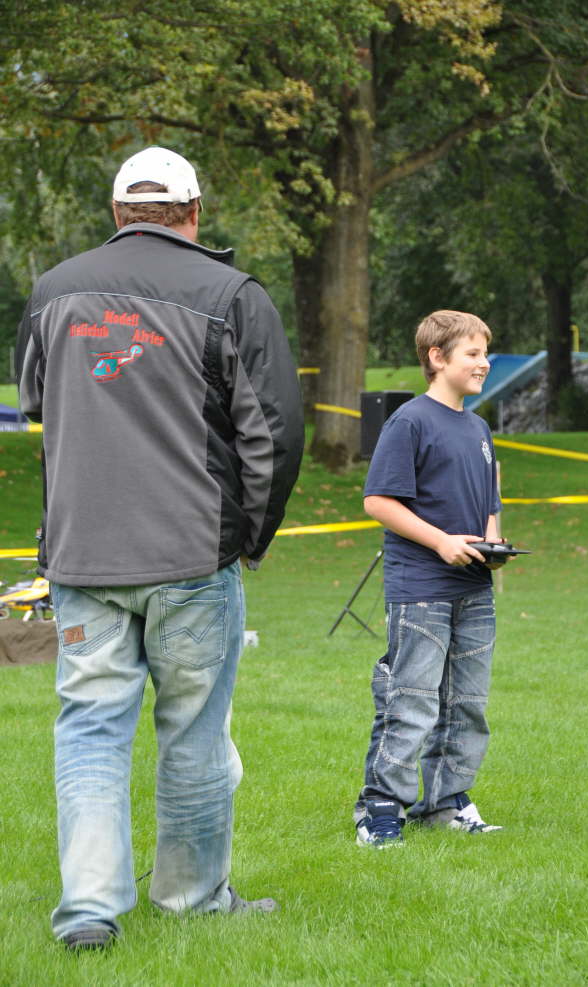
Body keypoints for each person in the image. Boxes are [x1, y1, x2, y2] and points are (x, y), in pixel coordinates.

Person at [16, 146, 304, 947]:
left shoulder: (51, 293)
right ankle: (192, 898)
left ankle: (88, 910)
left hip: (83, 557)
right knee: (194, 730)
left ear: (117, 215)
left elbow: (35, 400)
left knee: (90, 727)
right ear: (194, 213)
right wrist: (253, 533)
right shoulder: (233, 295)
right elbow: (274, 434)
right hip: (191, 558)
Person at [354, 310, 505, 848]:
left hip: (473, 590)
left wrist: (492, 544)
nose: (484, 363)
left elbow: (489, 504)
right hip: (421, 588)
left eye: (485, 353)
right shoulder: (410, 421)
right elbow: (379, 501)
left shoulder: (479, 427)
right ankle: (379, 809)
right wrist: (442, 542)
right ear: (437, 358)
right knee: (411, 699)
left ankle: (446, 802)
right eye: (473, 353)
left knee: (467, 702)